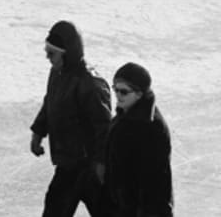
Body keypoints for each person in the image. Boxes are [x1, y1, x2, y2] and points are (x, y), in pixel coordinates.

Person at [30, 21, 112, 217]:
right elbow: (50, 102)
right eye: (46, 51)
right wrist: (38, 132)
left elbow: (104, 127)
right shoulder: (57, 73)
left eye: (52, 53)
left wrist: (101, 162)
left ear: (67, 53)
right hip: (68, 163)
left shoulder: (90, 83)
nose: (47, 58)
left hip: (88, 168)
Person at [106, 63, 174, 217]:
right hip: (123, 205)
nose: (117, 95)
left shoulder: (149, 128)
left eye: (123, 91)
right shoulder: (127, 114)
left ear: (139, 94)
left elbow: (154, 183)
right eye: (115, 89)